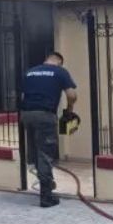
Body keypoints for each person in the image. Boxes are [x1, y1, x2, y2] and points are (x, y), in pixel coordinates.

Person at [20, 51, 78, 208]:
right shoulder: (60, 71)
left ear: (46, 59)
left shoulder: (30, 72)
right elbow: (72, 95)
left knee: (35, 150)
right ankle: (46, 196)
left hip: (26, 115)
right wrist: (69, 110)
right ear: (59, 62)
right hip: (45, 115)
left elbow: (23, 96)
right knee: (45, 153)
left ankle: (44, 179)